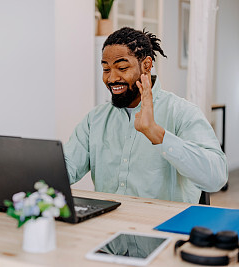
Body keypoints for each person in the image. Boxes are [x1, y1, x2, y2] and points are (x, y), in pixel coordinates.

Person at [64, 27, 227, 204]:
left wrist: (157, 134)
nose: (111, 79)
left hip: (163, 228)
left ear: (146, 65)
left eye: (122, 67)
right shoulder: (95, 119)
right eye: (106, 69)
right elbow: (68, 168)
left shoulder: (181, 112)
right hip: (108, 228)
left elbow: (216, 178)